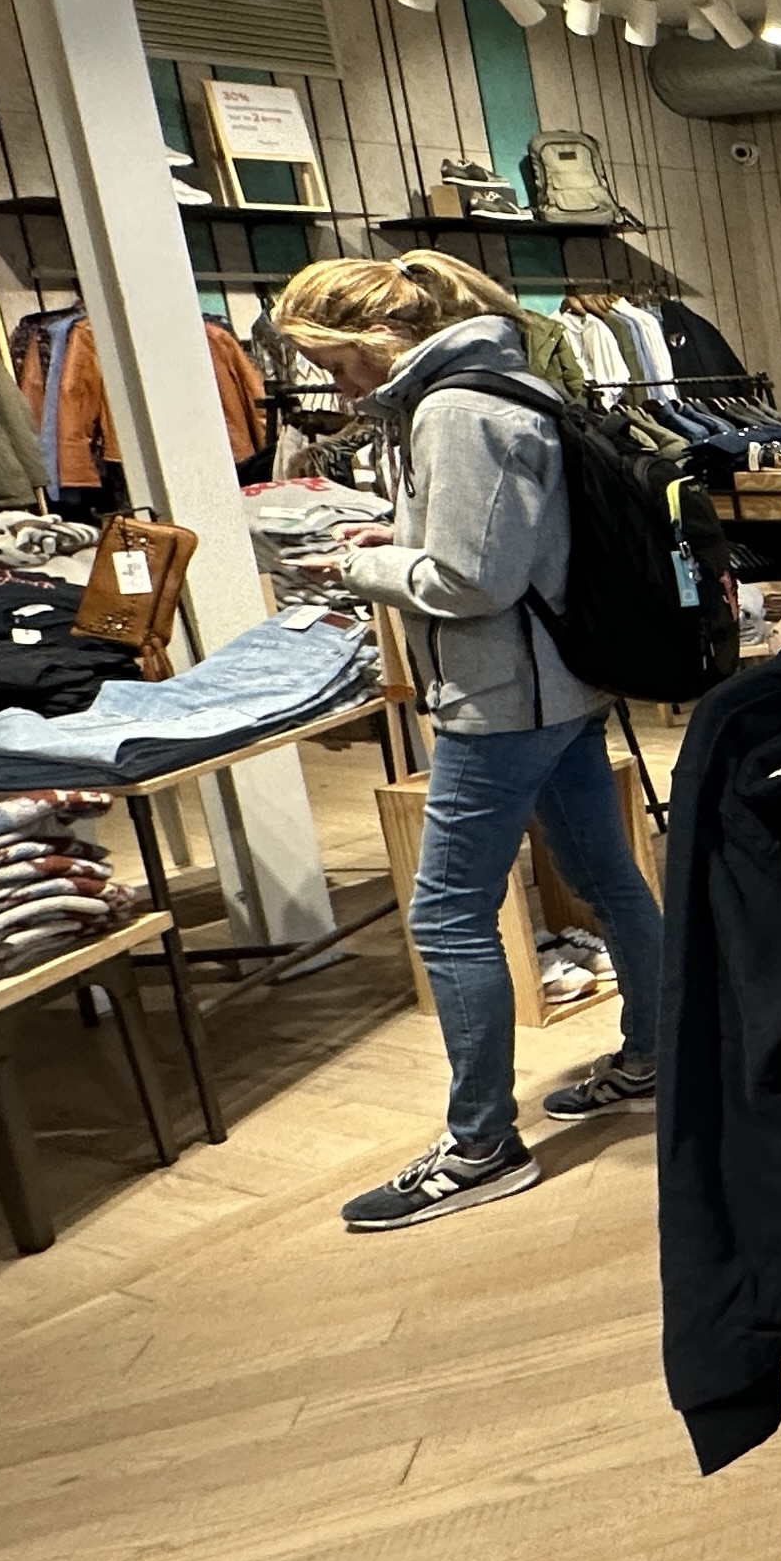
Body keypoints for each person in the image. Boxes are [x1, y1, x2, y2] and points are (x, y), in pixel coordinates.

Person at [272, 251, 670, 1227]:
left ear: (375, 339)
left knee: (448, 915)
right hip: (559, 677)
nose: (337, 386)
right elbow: (503, 550)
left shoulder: (455, 410)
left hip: (503, 697)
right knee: (607, 875)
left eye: (335, 363)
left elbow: (473, 582)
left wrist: (360, 570)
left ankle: (481, 1146)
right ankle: (659, 1052)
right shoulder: (508, 382)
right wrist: (400, 540)